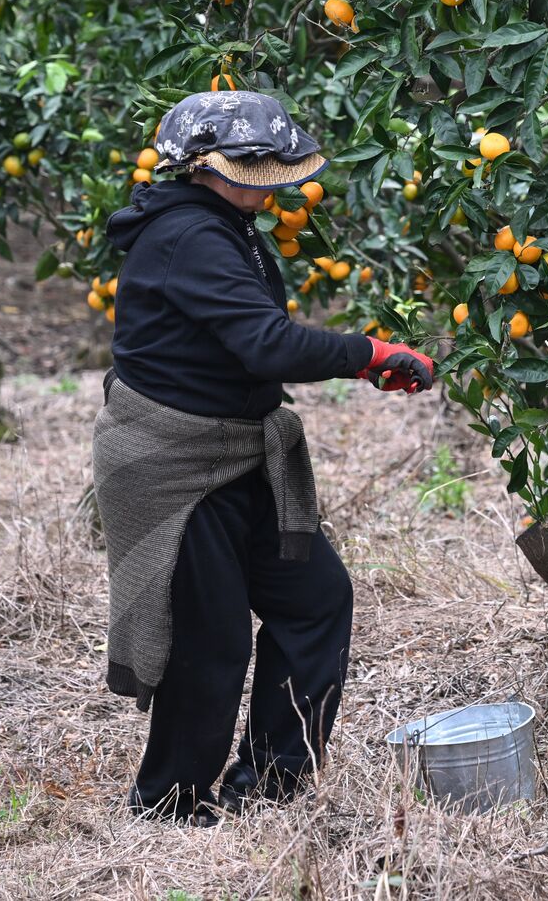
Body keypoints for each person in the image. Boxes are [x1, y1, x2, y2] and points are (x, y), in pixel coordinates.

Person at [91, 90, 433, 826]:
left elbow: (254, 341)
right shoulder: (192, 235)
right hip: (170, 460)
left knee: (316, 601)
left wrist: (361, 357)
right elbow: (266, 344)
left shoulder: (230, 223)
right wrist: (368, 352)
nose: (270, 174)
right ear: (204, 165)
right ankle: (169, 803)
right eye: (253, 161)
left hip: (238, 449)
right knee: (208, 641)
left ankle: (273, 784)